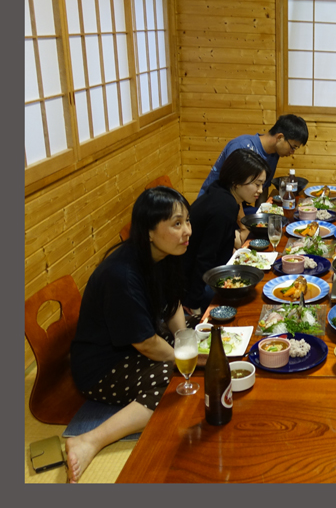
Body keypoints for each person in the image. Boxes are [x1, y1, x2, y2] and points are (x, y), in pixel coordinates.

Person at [66, 187, 193, 483]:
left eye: (187, 220)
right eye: (177, 224)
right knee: (173, 382)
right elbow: (146, 344)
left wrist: (187, 340)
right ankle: (90, 440)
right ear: (149, 231)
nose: (187, 231)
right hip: (102, 365)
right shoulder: (121, 274)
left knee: (197, 345)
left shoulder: (168, 253)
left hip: (135, 344)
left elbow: (172, 303)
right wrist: (184, 358)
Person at [183, 148, 269, 313]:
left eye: (262, 185)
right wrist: (193, 304)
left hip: (202, 274)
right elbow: (205, 257)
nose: (260, 190)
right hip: (193, 285)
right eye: (257, 184)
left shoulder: (221, 191)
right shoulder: (223, 207)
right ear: (236, 181)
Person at [197, 114, 308, 213]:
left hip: (238, 206)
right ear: (280, 137)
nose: (292, 152)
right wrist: (244, 227)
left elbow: (263, 187)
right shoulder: (242, 146)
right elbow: (232, 191)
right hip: (214, 207)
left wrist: (261, 214)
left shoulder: (274, 154)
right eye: (293, 147)